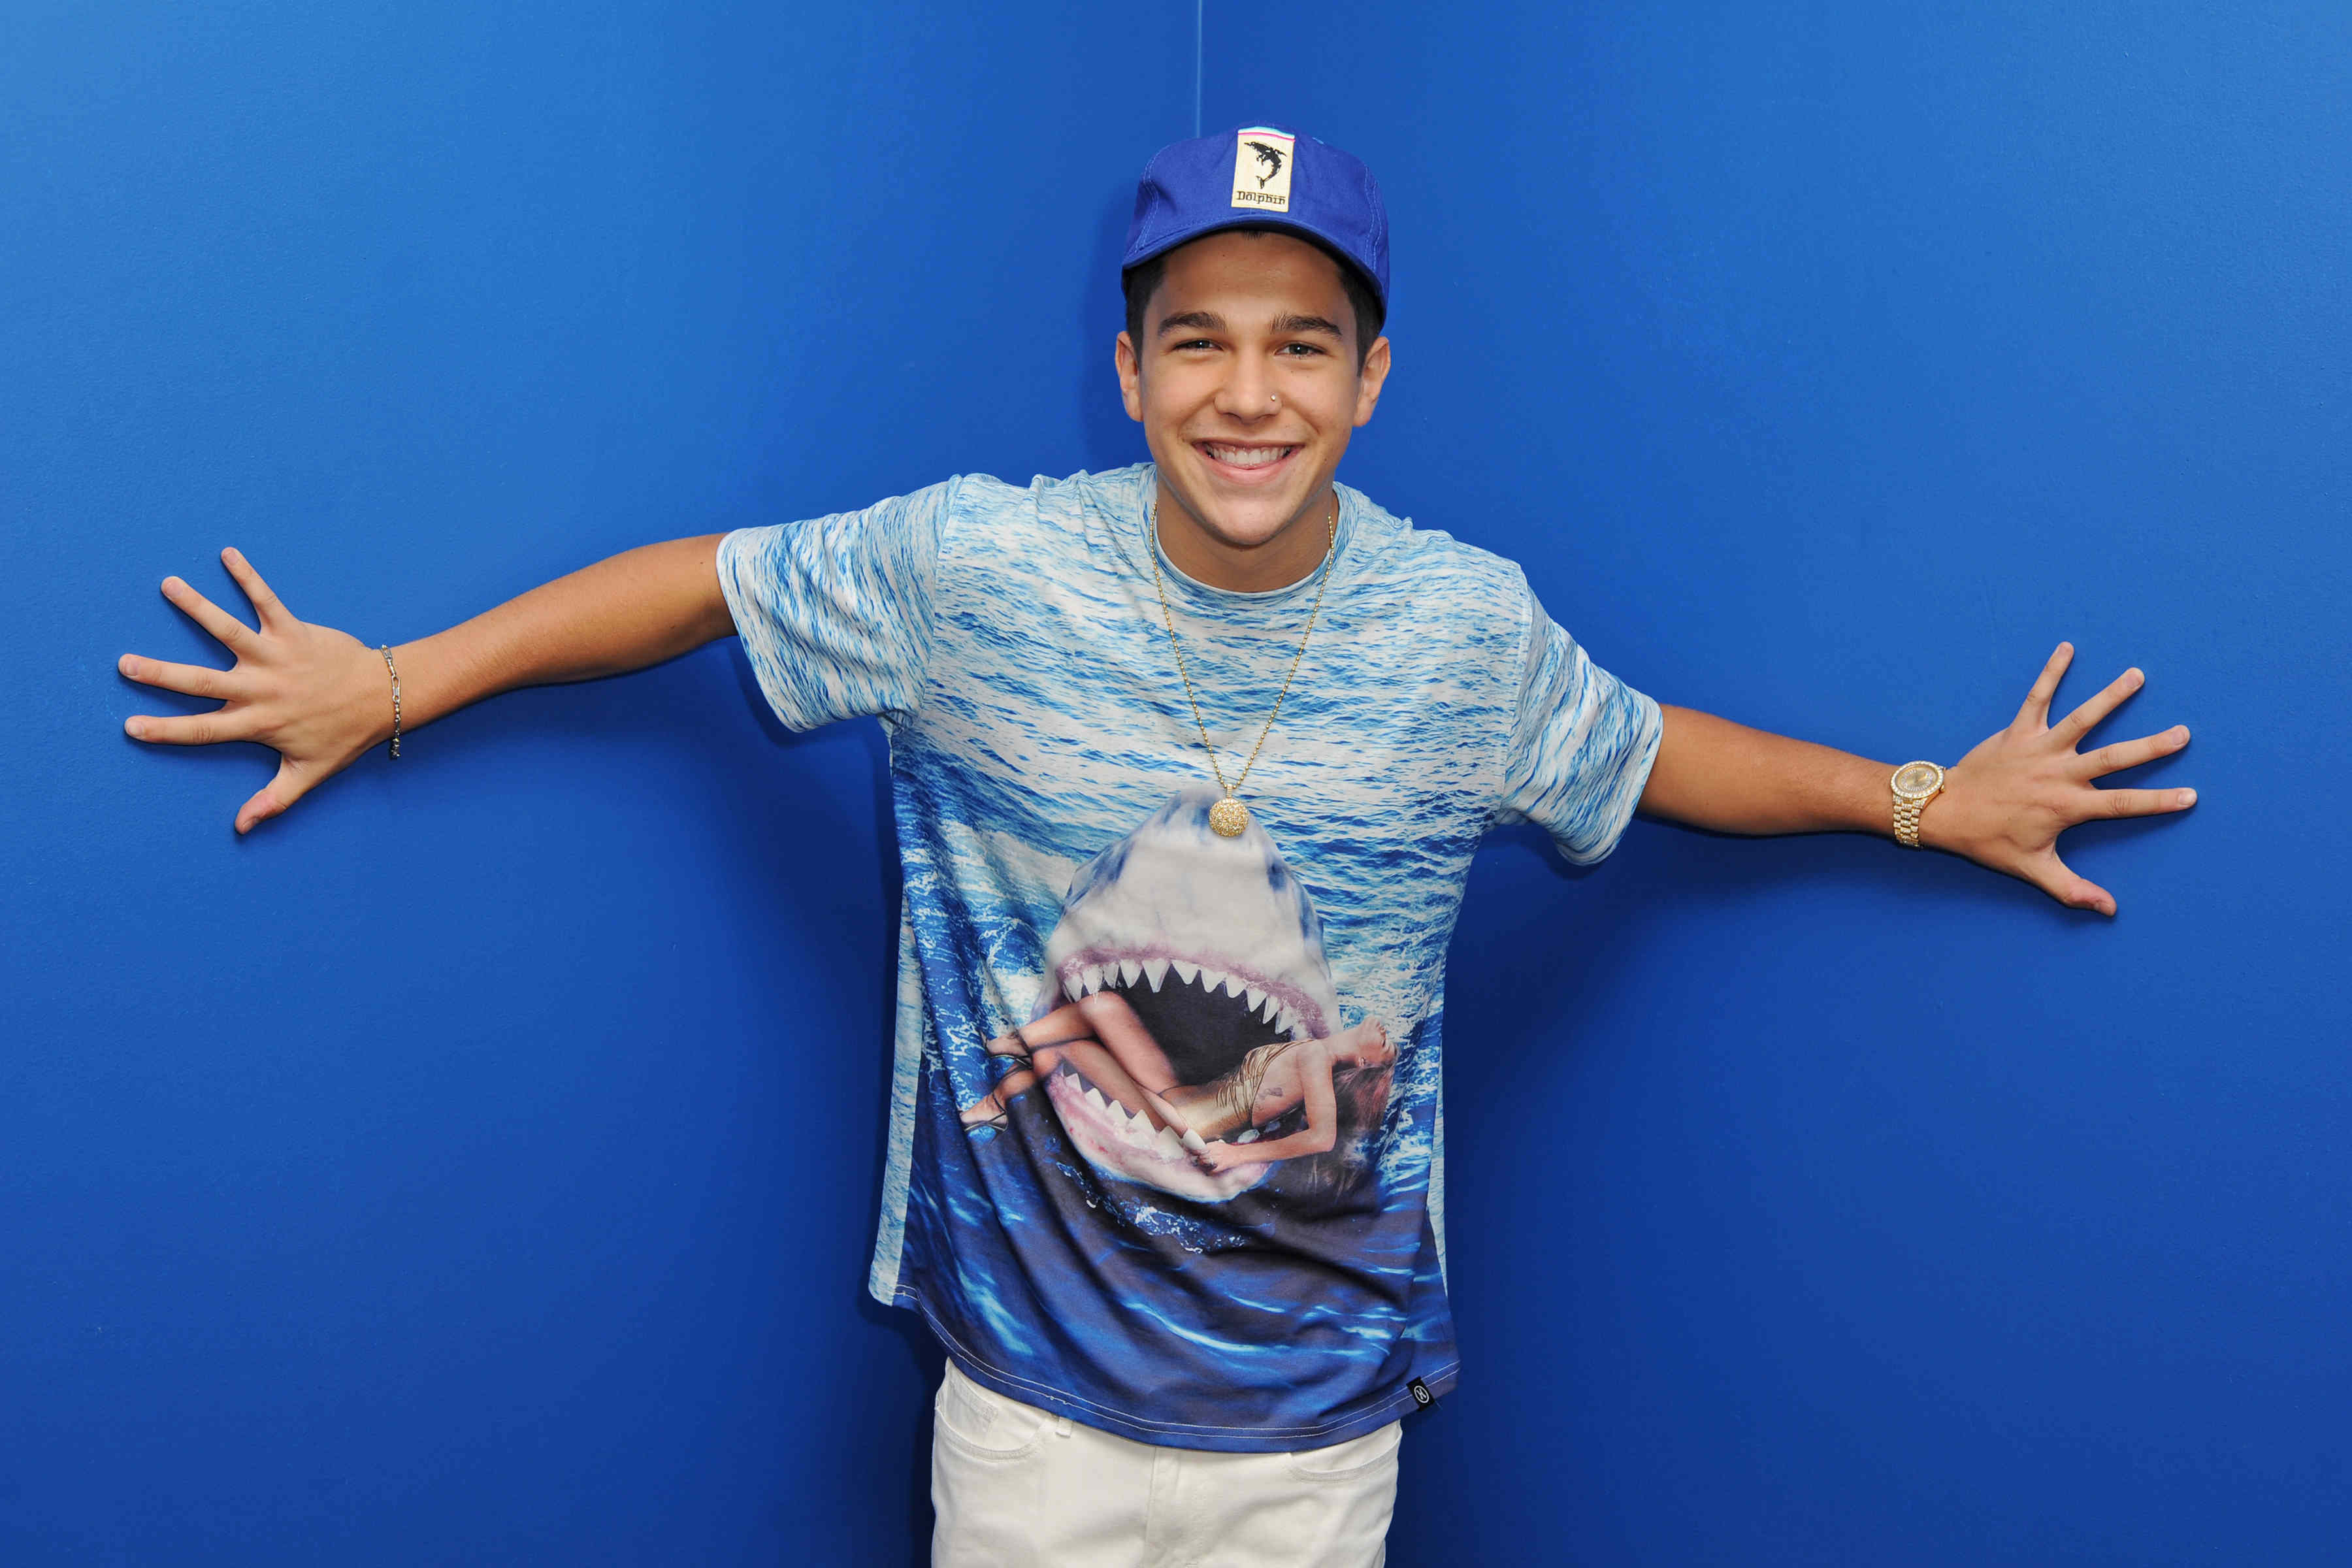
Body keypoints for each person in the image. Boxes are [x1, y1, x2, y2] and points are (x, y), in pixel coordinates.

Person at [116, 126, 2194, 1566]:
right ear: (1128, 370)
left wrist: (1924, 799)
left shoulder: (1464, 626)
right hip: (1029, 1417)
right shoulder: (980, 571)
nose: (1247, 393)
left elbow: (1648, 754)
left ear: (1371, 379)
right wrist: (397, 682)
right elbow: (699, 587)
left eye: (1303, 343)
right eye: (1198, 336)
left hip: (1326, 1428)